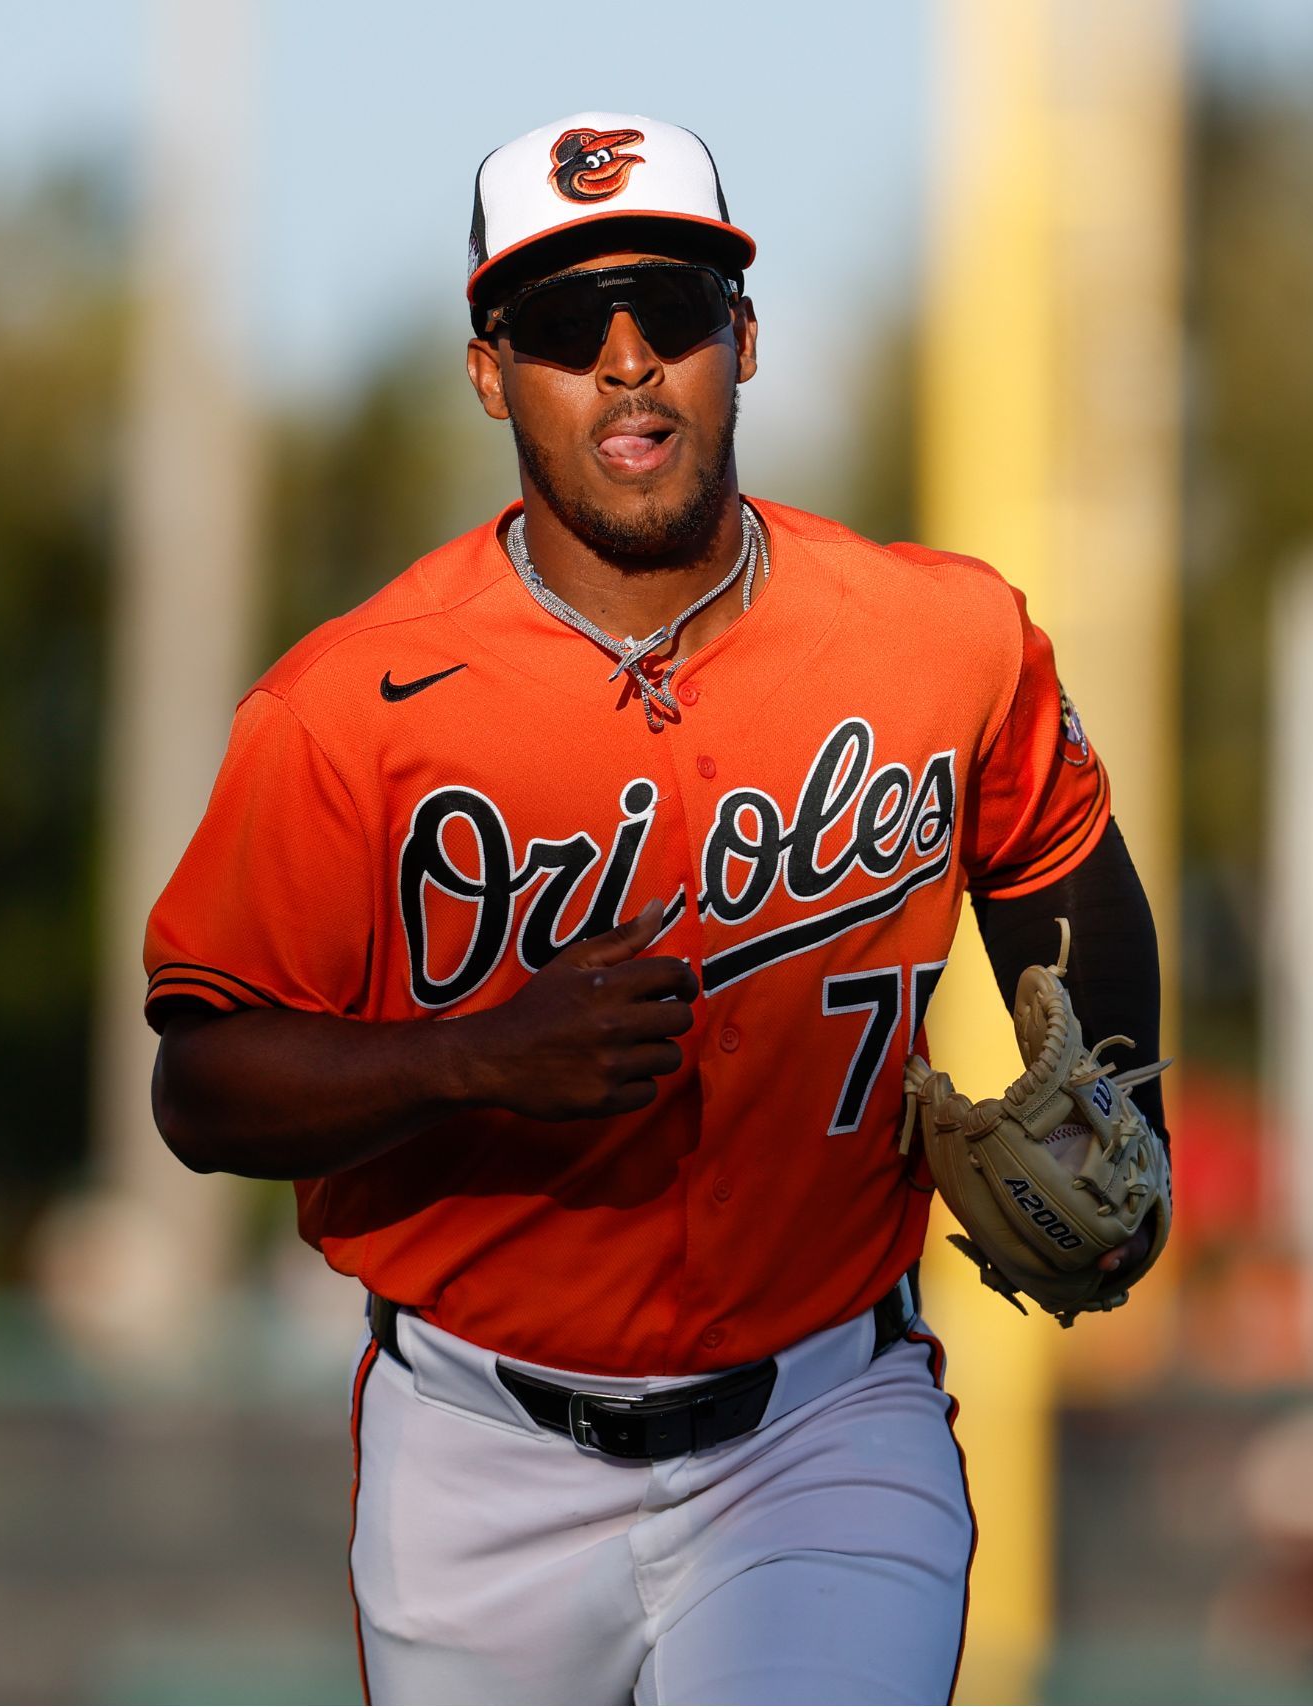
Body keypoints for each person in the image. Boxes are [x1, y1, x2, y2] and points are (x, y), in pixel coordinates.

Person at [144, 112, 1166, 1705]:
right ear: (491, 374)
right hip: (475, 1454)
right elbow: (203, 1085)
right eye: (566, 324)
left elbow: (1064, 861)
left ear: (740, 340)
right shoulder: (346, 709)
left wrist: (1122, 1101)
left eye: (671, 309)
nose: (627, 361)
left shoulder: (939, 639)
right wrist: (473, 1058)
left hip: (824, 1425)